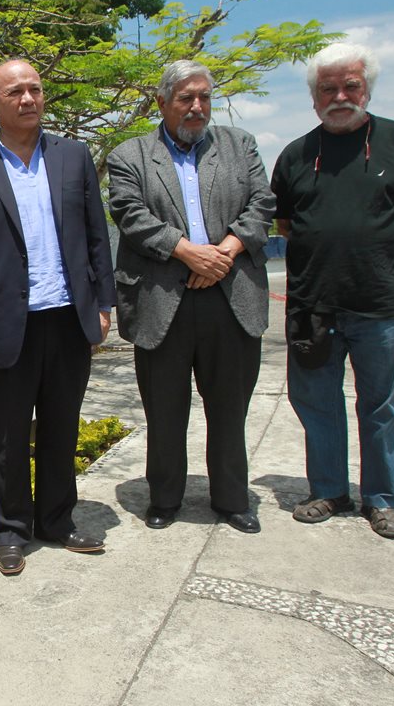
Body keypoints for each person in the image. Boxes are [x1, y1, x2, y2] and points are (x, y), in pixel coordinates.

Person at [0, 58, 116, 576]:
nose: (28, 99)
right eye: (15, 91)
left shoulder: (74, 157)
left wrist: (104, 302)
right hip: (2, 320)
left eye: (35, 89)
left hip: (67, 314)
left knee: (62, 427)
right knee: (7, 434)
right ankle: (11, 530)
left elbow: (95, 234)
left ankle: (58, 521)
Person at [272, 42, 394, 540]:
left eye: (351, 86)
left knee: (384, 406)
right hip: (311, 304)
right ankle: (328, 490)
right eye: (329, 88)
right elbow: (285, 221)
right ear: (314, 96)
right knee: (316, 402)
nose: (340, 96)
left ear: (367, 89)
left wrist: (373, 253)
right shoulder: (296, 155)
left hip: (381, 305)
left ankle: (384, 500)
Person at [107, 60, 274, 534]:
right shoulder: (130, 155)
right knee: (165, 409)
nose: (197, 106)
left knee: (229, 407)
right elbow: (131, 215)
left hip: (231, 295)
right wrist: (187, 253)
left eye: (204, 96)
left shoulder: (240, 147)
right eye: (185, 98)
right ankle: (165, 497)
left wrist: (223, 253)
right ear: (162, 103)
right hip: (162, 299)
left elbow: (262, 204)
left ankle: (231, 498)